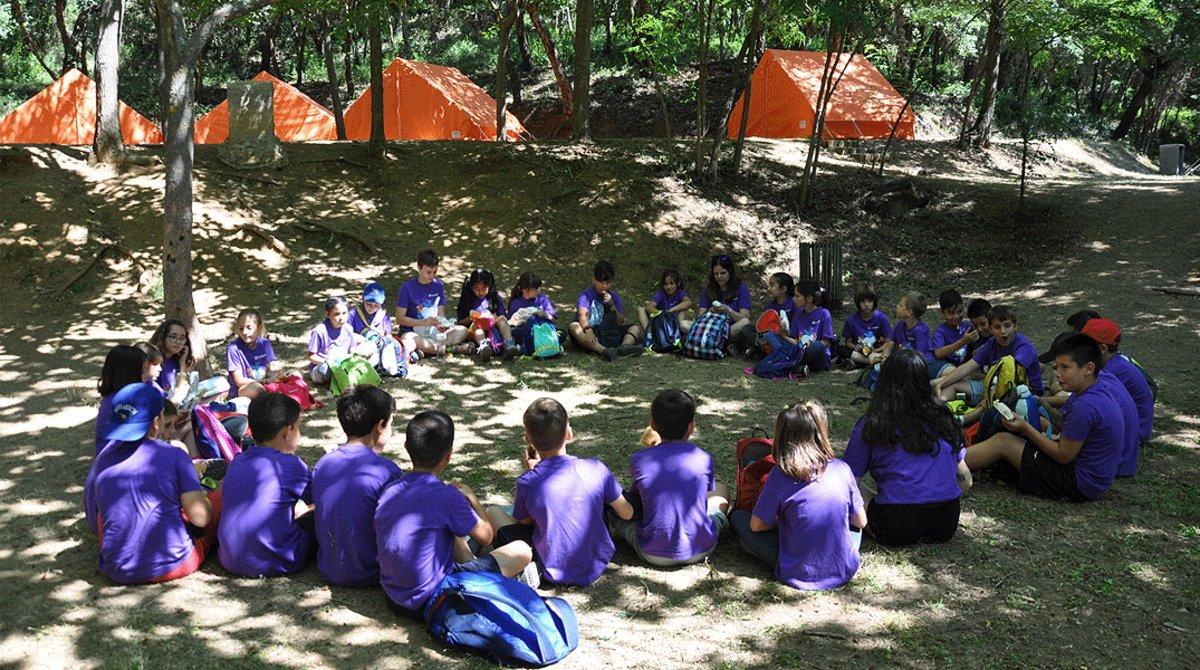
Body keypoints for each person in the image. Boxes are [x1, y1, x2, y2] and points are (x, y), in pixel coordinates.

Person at [375, 410, 536, 617]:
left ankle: (476, 567)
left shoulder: (391, 490)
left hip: (394, 596)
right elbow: (486, 537)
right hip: (434, 597)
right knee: (522, 550)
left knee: (449, 530)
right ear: (448, 456)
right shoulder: (447, 496)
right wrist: (473, 500)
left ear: (407, 447)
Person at [486, 398, 634, 586]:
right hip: (597, 562)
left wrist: (533, 472)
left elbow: (525, 521)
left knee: (493, 512)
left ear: (528, 440)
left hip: (550, 567)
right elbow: (626, 512)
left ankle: (525, 566)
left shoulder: (528, 482)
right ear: (569, 434)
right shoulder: (595, 468)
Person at [83, 381, 220, 583]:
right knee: (218, 501)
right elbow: (201, 518)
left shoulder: (103, 460)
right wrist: (208, 501)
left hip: (116, 568)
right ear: (156, 422)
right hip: (174, 564)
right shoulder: (174, 455)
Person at [966, 334, 1123, 502]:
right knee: (1027, 424)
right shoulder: (1094, 387)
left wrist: (1026, 428)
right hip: (1090, 474)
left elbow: (1063, 456)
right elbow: (1067, 425)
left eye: (1065, 367)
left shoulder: (1085, 406)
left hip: (1079, 483)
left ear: (1089, 368)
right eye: (1056, 367)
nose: (1058, 374)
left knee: (1003, 442)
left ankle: (946, 463)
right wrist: (1045, 407)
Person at [730, 401, 867, 590]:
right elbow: (861, 522)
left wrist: (783, 520)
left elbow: (756, 525)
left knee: (738, 518)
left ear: (782, 437)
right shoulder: (842, 469)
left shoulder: (780, 475)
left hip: (797, 572)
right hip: (844, 567)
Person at [842, 349, 973, 545]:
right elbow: (966, 481)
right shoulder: (943, 418)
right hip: (946, 522)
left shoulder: (872, 423)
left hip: (895, 524)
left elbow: (849, 482)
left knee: (850, 485)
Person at [609, 389, 730, 566]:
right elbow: (702, 498)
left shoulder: (640, 459)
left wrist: (652, 451)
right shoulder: (704, 458)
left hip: (652, 552)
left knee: (614, 506)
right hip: (701, 547)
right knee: (721, 489)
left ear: (653, 425)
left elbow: (638, 499)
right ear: (691, 426)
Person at [312, 385, 404, 587]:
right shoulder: (388, 472)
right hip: (371, 572)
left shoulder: (323, 464)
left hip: (330, 567)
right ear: (379, 426)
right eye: (390, 424)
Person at [218, 393, 315, 577]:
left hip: (230, 559)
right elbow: (319, 497)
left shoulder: (237, 461)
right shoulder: (291, 465)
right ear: (287, 432)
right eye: (298, 428)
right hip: (278, 560)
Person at [1080, 318, 1152, 476]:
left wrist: (1044, 400)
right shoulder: (1114, 362)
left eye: (1084, 346)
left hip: (1135, 431)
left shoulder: (1112, 371)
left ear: (1103, 348)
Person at [934, 305, 1044, 403]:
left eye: (1007, 326)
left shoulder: (1023, 347)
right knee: (949, 385)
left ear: (1015, 326)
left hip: (1025, 394)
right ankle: (937, 410)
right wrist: (942, 383)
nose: (1002, 331)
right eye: (997, 327)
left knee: (957, 387)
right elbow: (967, 367)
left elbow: (1015, 377)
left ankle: (957, 418)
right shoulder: (991, 344)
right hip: (996, 386)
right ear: (991, 329)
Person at [394, 248, 468, 358]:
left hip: (434, 333)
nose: (432, 276)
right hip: (413, 331)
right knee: (409, 338)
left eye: (435, 272)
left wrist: (443, 324)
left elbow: (440, 313)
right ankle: (454, 349)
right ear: (419, 268)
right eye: (428, 272)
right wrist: (424, 322)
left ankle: (426, 350)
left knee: (462, 330)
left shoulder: (438, 285)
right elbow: (399, 318)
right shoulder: (407, 288)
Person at [567, 259, 644, 361]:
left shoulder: (614, 296)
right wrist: (588, 330)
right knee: (574, 327)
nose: (604, 286)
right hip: (591, 333)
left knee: (635, 328)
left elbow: (620, 322)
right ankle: (604, 351)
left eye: (608, 282)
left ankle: (623, 348)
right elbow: (582, 315)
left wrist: (612, 305)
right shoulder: (586, 295)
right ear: (594, 280)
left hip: (609, 332)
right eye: (601, 282)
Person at [454, 268, 522, 362]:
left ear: (489, 287)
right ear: (471, 287)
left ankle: (509, 345)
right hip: (475, 331)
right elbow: (460, 322)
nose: (480, 292)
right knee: (478, 323)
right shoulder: (467, 299)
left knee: (501, 318)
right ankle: (484, 347)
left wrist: (494, 318)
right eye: (477, 289)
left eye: (483, 289)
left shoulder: (494, 298)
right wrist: (470, 318)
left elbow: (504, 318)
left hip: (493, 329)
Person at [95, 344, 148, 453]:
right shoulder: (125, 402)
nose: (147, 375)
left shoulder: (114, 396)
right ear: (130, 375)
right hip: (116, 454)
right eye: (143, 371)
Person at [307, 295, 370, 387]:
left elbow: (352, 349)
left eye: (344, 313)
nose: (341, 317)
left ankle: (343, 379)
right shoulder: (320, 331)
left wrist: (360, 354)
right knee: (324, 370)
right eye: (337, 314)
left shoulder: (348, 328)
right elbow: (311, 356)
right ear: (328, 314)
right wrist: (326, 361)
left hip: (342, 365)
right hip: (324, 366)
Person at [348, 282, 407, 377]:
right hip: (362, 348)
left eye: (376, 306)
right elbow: (347, 335)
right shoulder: (353, 314)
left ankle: (398, 368)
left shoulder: (383, 315)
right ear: (363, 299)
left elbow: (388, 336)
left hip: (381, 347)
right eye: (369, 304)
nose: (372, 308)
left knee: (394, 345)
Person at [697, 254, 753, 354]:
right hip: (711, 328)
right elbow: (700, 317)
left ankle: (721, 343)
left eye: (723, 273)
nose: (719, 277)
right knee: (684, 324)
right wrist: (710, 311)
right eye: (716, 274)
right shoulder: (708, 288)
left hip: (730, 329)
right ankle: (724, 345)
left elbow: (745, 317)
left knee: (745, 323)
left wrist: (729, 311)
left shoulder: (741, 288)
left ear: (730, 272)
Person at [738, 272, 794, 358]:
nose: (769, 288)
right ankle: (763, 349)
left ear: (783, 289)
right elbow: (763, 326)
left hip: (785, 337)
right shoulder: (770, 306)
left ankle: (762, 351)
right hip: (767, 336)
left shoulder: (794, 304)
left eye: (772, 285)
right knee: (747, 329)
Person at [226, 308, 279, 399]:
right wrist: (266, 382)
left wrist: (279, 376)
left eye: (249, 328)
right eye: (241, 328)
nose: (244, 332)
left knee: (293, 374)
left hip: (262, 382)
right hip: (243, 389)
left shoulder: (265, 344)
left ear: (258, 328)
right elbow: (239, 381)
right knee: (257, 389)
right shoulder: (233, 348)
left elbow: (267, 370)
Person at [785, 280, 836, 373]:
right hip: (799, 351)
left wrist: (806, 348)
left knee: (817, 346)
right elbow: (796, 341)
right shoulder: (798, 314)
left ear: (809, 298)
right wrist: (782, 335)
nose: (793, 299)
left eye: (797, 296)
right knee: (772, 336)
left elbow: (826, 342)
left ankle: (792, 364)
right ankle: (800, 366)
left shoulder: (824, 314)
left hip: (817, 356)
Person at [507, 272, 560, 356]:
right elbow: (512, 323)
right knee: (528, 324)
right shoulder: (516, 303)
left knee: (561, 333)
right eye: (535, 288)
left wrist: (544, 314)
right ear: (526, 290)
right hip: (524, 331)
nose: (539, 290)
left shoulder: (543, 299)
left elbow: (553, 320)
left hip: (543, 330)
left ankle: (545, 345)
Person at [837, 284, 890, 368]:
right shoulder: (851, 320)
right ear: (858, 303)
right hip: (859, 351)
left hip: (876, 350)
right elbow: (848, 343)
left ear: (874, 302)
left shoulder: (881, 318)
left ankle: (859, 363)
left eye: (869, 301)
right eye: (863, 301)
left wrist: (876, 350)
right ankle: (873, 361)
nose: (866, 305)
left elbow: (889, 342)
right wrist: (855, 346)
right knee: (840, 349)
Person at [929, 289, 978, 380]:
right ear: (942, 313)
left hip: (960, 366)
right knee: (965, 375)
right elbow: (938, 353)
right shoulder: (941, 331)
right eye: (951, 313)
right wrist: (963, 341)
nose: (956, 316)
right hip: (942, 366)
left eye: (959, 311)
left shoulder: (968, 326)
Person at [879, 291, 933, 369]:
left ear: (909, 312)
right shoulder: (900, 326)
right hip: (903, 362)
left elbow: (919, 357)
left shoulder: (921, 331)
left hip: (919, 366)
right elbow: (889, 345)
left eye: (900, 305)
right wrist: (884, 358)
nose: (897, 306)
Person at [149, 319, 195, 404]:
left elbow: (185, 388)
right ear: (163, 337)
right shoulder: (153, 362)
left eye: (182, 338)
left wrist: (182, 364)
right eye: (173, 337)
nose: (178, 342)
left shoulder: (178, 360)